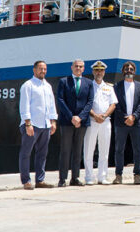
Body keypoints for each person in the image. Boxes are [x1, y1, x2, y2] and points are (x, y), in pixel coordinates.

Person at [18, 60, 57, 190]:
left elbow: (51, 105)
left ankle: (40, 180)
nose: (43, 71)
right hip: (32, 125)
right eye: (40, 69)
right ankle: (26, 181)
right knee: (26, 153)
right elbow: (24, 105)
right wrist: (28, 124)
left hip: (45, 125)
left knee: (42, 154)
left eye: (45, 69)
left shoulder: (48, 86)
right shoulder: (28, 85)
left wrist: (53, 121)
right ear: (34, 70)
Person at [56, 59, 94, 187]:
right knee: (65, 150)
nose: (78, 68)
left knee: (78, 150)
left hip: (82, 122)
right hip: (67, 121)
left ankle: (75, 178)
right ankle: (62, 179)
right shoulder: (64, 81)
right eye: (76, 66)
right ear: (72, 67)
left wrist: (80, 117)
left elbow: (90, 102)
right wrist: (72, 117)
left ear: (84, 68)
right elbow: (60, 100)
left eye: (81, 66)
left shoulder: (89, 83)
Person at [83, 61, 118, 185]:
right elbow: (86, 104)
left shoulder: (109, 87)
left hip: (105, 121)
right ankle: (89, 177)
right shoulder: (88, 86)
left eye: (101, 70)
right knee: (89, 149)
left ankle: (102, 176)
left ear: (104, 72)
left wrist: (104, 115)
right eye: (97, 70)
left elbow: (113, 104)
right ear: (93, 72)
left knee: (104, 150)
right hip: (92, 121)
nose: (99, 72)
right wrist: (95, 115)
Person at [112, 61, 140, 185]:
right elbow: (115, 104)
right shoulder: (117, 86)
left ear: (134, 71)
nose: (129, 70)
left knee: (137, 150)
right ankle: (118, 175)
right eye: (126, 69)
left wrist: (134, 117)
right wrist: (126, 117)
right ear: (123, 71)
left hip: (136, 123)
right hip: (121, 123)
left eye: (131, 69)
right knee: (119, 149)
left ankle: (137, 175)